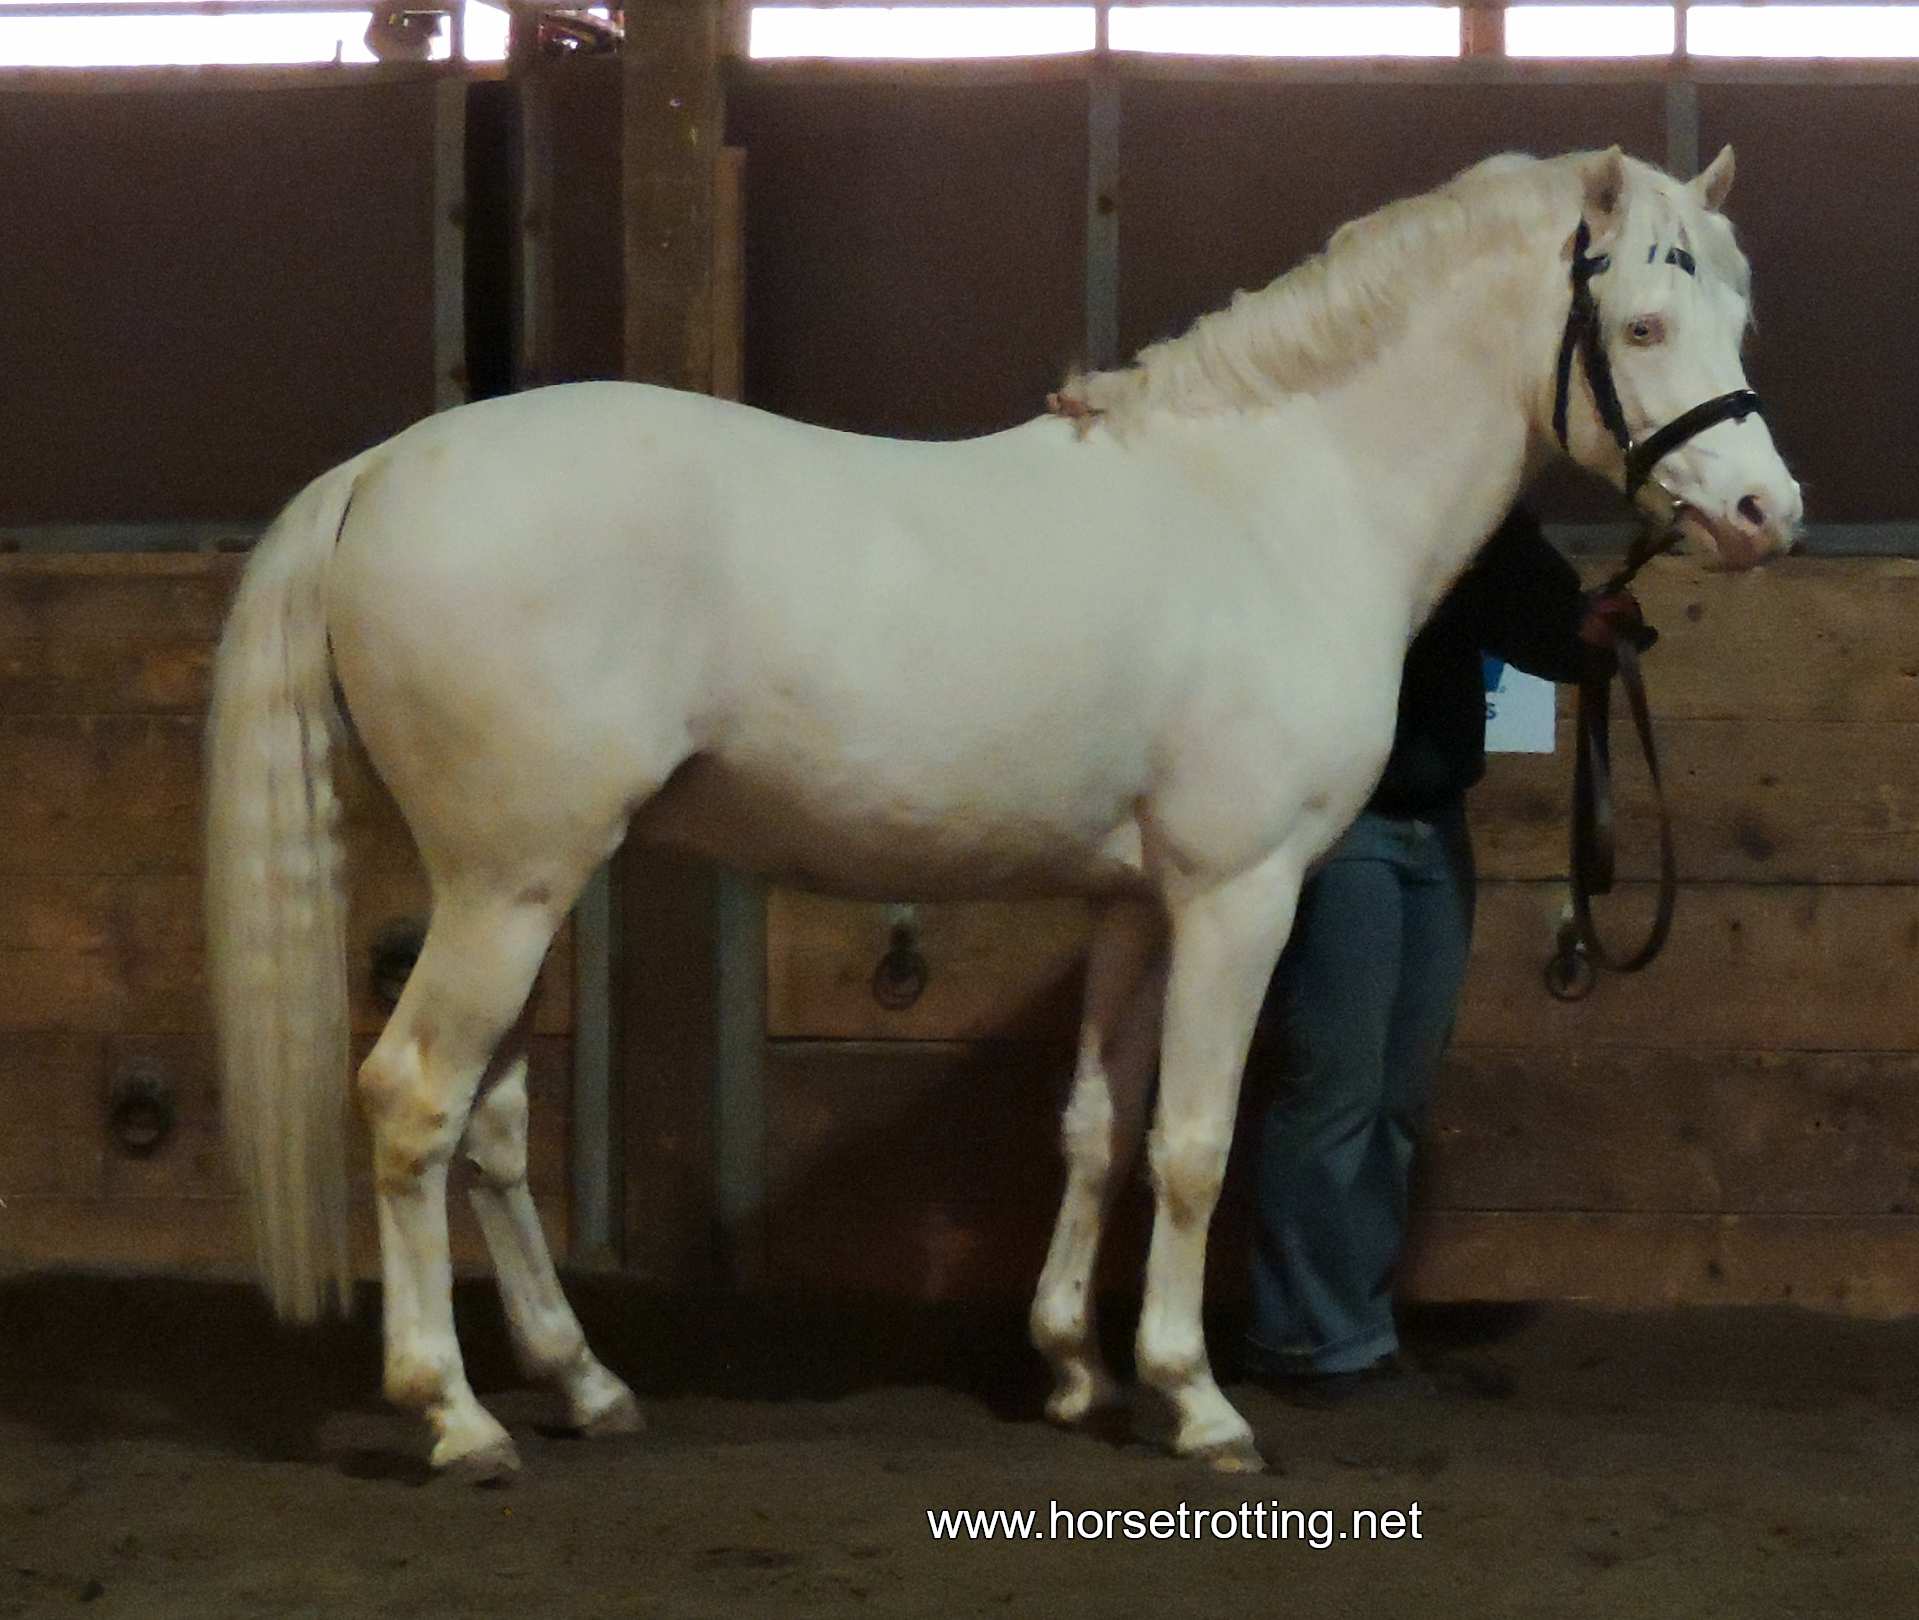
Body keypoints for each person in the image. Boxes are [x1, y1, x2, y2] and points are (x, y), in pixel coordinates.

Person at [1242, 505, 1651, 1402]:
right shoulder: (1353, 498)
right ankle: (1306, 1339)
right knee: (1335, 1086)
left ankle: (1352, 1324)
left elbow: (1536, 621)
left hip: (1434, 822)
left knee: (1395, 1095)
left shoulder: (1479, 512)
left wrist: (1590, 628)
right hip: (1344, 822)